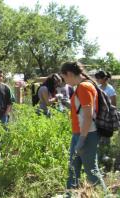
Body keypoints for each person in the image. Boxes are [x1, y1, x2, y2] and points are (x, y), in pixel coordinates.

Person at [60, 61, 106, 191]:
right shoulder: (82, 86)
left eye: (64, 77)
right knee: (73, 170)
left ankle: (104, 195)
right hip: (80, 134)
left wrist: (81, 139)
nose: (65, 81)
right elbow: (81, 111)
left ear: (69, 74)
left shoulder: (84, 87)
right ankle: (70, 194)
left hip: (86, 135)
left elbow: (88, 116)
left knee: (92, 172)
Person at [95, 70, 117, 169]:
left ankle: (106, 157)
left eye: (98, 78)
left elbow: (114, 105)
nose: (97, 80)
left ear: (104, 78)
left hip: (107, 117)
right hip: (99, 116)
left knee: (106, 137)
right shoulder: (98, 88)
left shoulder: (110, 89)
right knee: (98, 137)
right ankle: (99, 157)